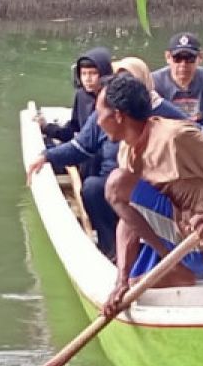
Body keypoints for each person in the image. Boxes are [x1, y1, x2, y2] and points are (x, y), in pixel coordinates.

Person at [96, 75, 203, 317]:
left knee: (116, 185)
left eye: (99, 114)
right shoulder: (127, 148)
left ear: (118, 116)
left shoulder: (175, 137)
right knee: (121, 192)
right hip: (173, 235)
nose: (97, 121)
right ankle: (169, 266)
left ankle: (177, 267)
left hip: (198, 241)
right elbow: (126, 217)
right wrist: (122, 280)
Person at [26, 58, 186, 259]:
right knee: (94, 187)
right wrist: (46, 156)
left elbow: (201, 138)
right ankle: (111, 249)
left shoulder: (165, 115)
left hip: (155, 186)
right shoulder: (107, 112)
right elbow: (81, 146)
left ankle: (164, 252)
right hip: (113, 183)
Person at [40, 47, 113, 144]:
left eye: (93, 73)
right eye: (84, 74)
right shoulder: (81, 95)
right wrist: (47, 128)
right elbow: (75, 127)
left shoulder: (112, 98)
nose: (87, 79)